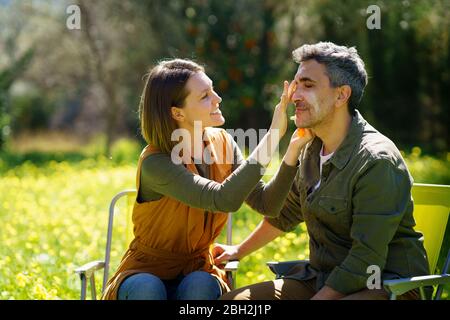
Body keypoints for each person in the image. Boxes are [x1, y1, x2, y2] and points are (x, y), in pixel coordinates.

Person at [216, 42, 430, 300]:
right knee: (232, 304)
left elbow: (366, 259)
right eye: (296, 85)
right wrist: (238, 250)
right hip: (321, 279)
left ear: (341, 95)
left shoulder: (376, 161)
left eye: (308, 85)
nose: (294, 96)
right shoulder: (310, 149)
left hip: (385, 286)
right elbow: (284, 215)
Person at [101, 58, 313, 300]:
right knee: (148, 288)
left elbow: (268, 204)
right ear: (177, 112)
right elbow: (222, 199)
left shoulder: (223, 142)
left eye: (213, 90)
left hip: (198, 268)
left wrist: (292, 152)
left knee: (199, 284)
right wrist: (274, 135)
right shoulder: (156, 162)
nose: (217, 99)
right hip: (145, 271)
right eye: (204, 96)